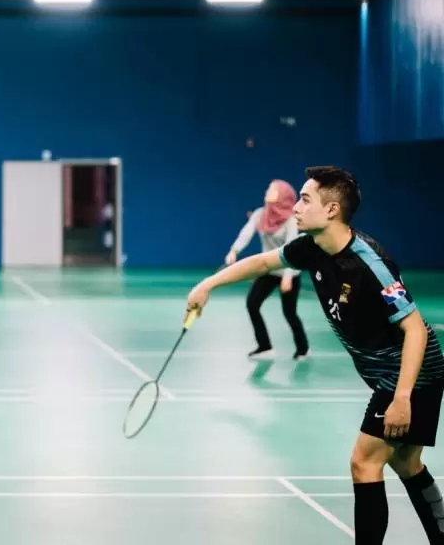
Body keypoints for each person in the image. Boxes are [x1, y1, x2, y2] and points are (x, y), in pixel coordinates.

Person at [187, 166, 444, 544]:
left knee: (364, 463)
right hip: (393, 373)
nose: (295, 208)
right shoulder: (311, 249)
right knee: (406, 462)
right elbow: (261, 263)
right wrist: (208, 284)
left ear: (332, 210)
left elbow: (415, 330)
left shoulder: (370, 264)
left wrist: (403, 397)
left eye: (305, 200)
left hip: (409, 372)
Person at [225, 179, 310, 360]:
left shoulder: (291, 220)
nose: (267, 190)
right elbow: (245, 234)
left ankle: (303, 349)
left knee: (289, 313)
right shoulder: (261, 214)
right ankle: (265, 346)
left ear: (282, 195)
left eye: (272, 189)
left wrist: (287, 277)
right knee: (252, 304)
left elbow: (292, 247)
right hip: (269, 270)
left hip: (289, 271)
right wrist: (234, 251)